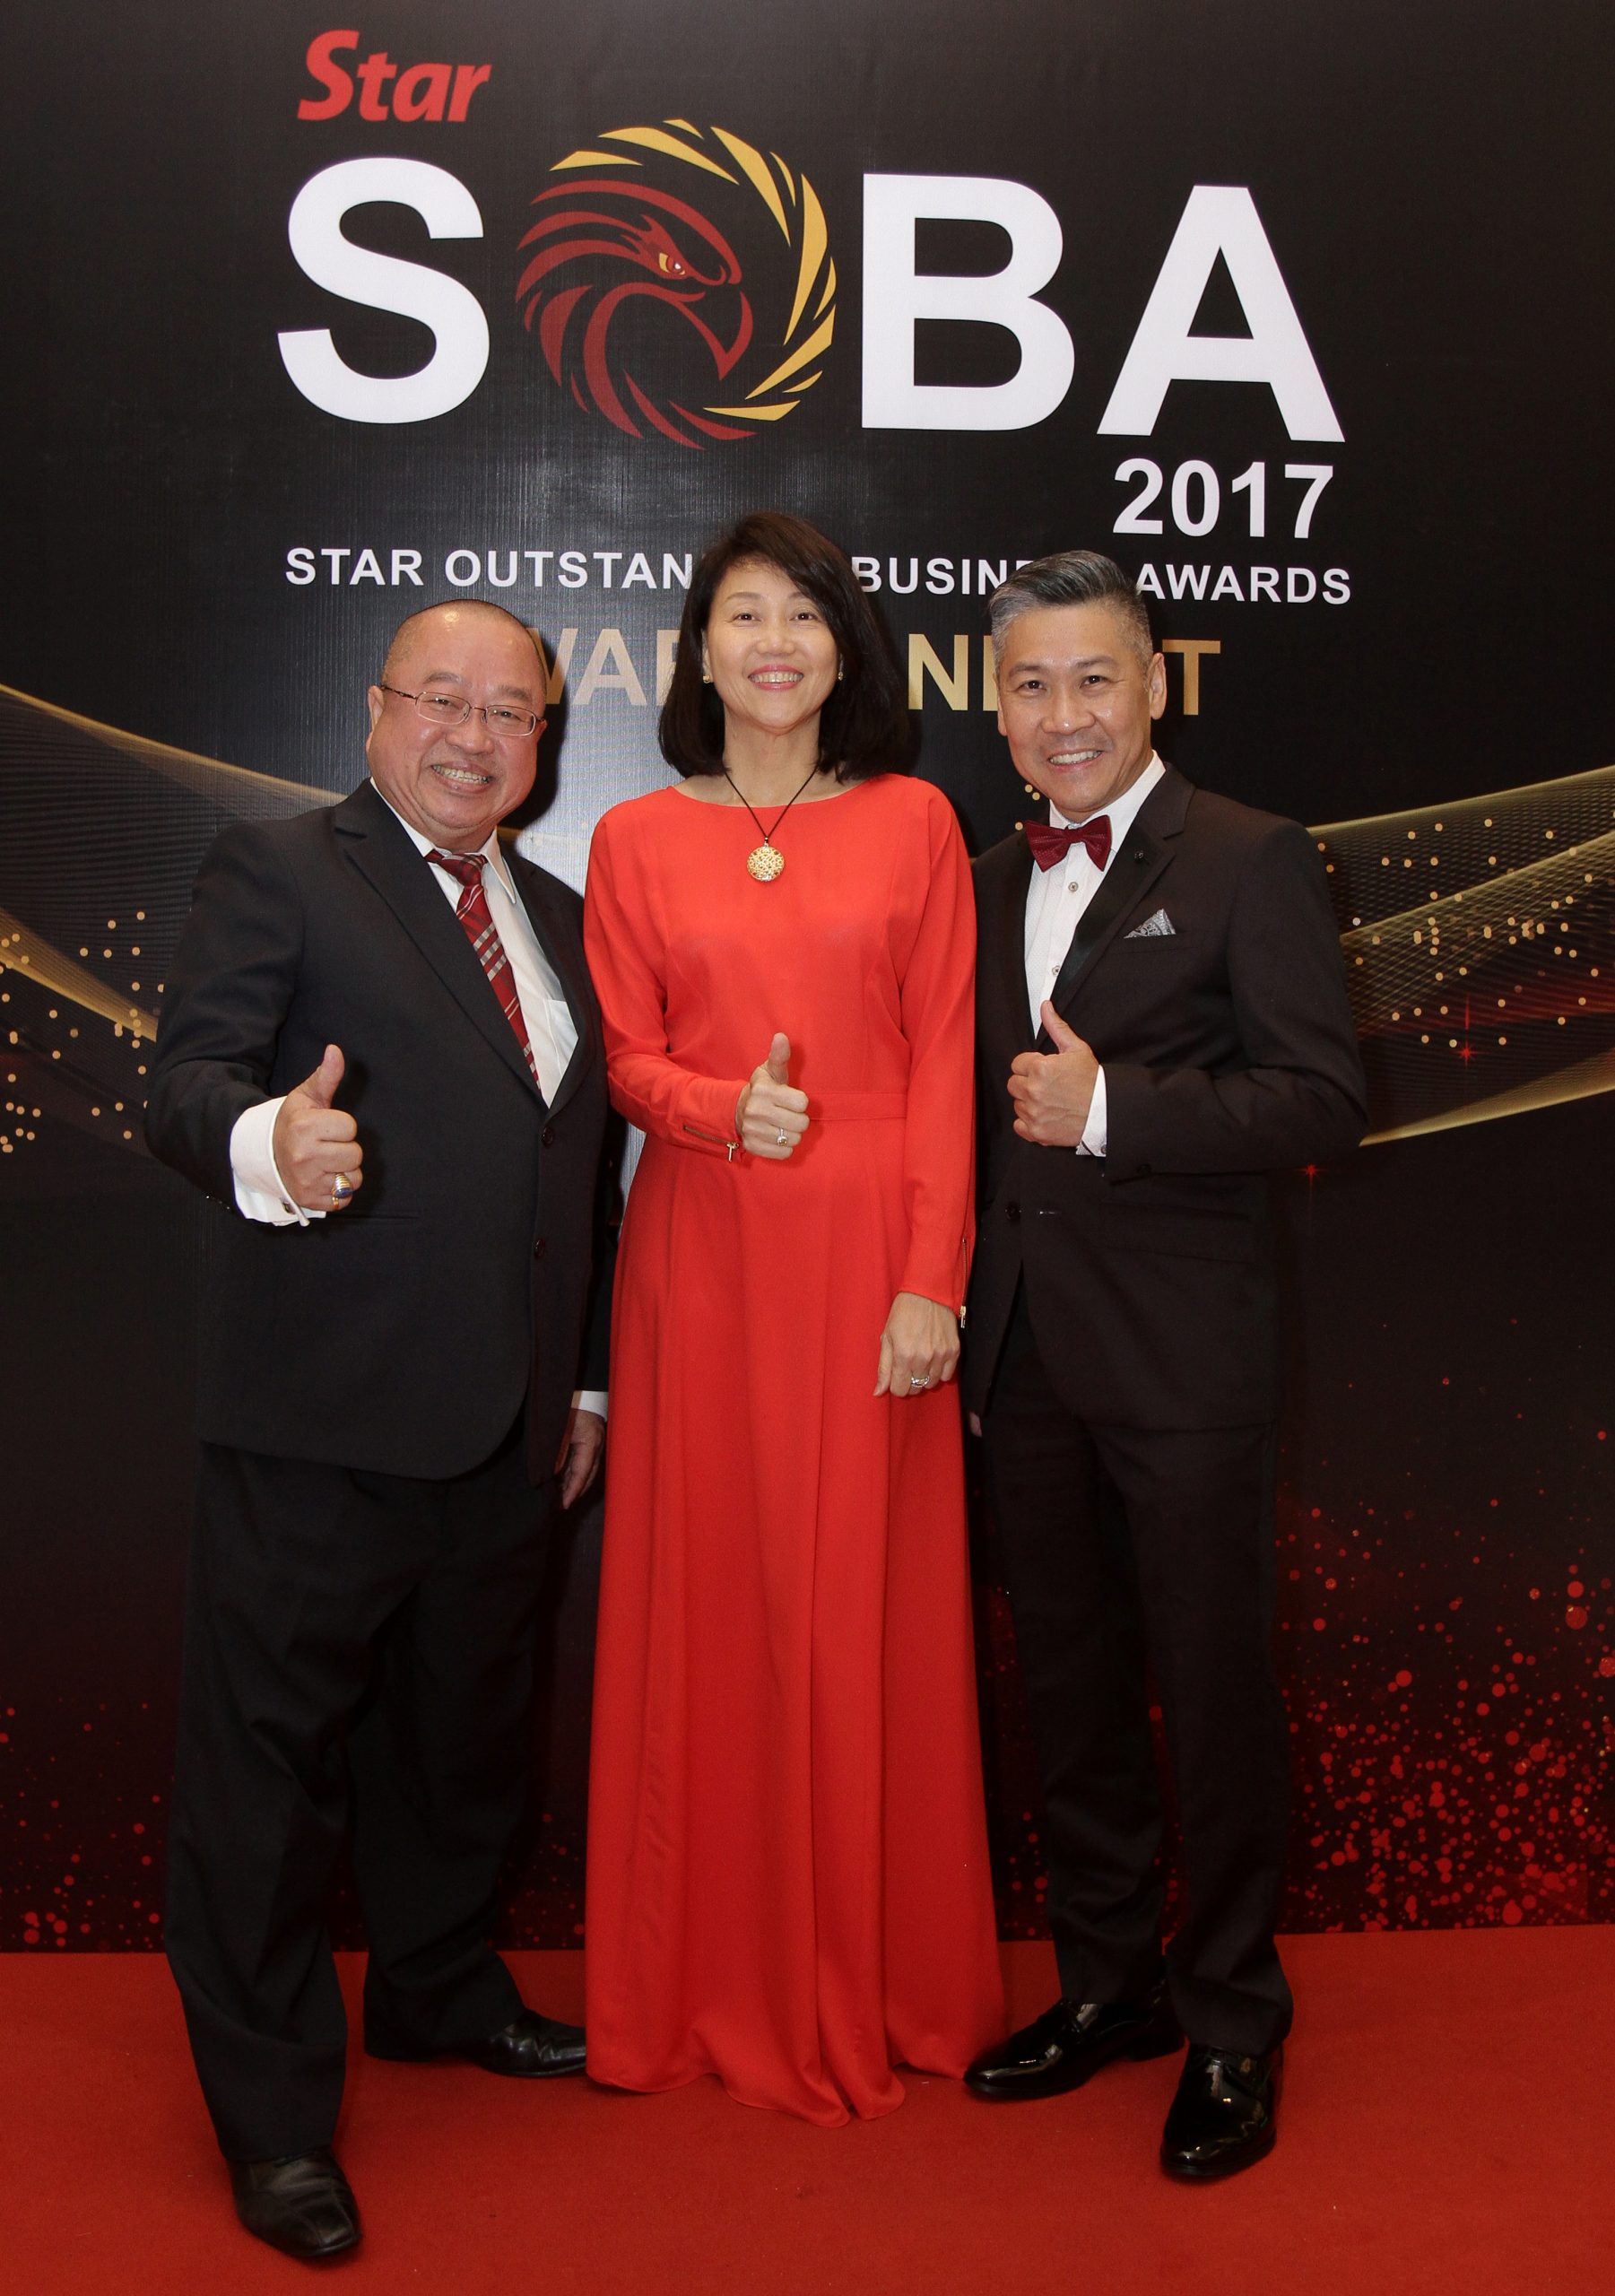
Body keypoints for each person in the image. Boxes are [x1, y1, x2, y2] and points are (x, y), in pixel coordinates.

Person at [145, 600, 611, 2259]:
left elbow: (576, 1181)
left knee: (459, 1747)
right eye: (443, 700)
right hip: (320, 1418)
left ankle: (435, 1990)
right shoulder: (278, 870)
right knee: (266, 1787)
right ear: (374, 711)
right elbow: (183, 1082)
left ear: (542, 742)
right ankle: (273, 2121)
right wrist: (269, 1144)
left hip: (508, 1430)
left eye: (511, 712)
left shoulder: (562, 917)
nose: (474, 736)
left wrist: (584, 1383)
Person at [581, 511, 1004, 2126]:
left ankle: (879, 1985)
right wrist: (713, 1109)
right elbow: (623, 1058)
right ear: (698, 650)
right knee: (707, 1605)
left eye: (804, 615)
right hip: (700, 1253)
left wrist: (928, 1281)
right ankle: (696, 1981)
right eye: (744, 614)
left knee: (858, 1612)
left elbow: (947, 1060)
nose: (774, 643)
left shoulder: (914, 821)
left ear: (845, 653)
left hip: (871, 1252)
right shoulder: (632, 837)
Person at [960, 552, 1366, 2179]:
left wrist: (1114, 1110)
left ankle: (1232, 2020)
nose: (1063, 715)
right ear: (996, 710)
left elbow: (1321, 1097)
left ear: (1152, 687)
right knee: (1069, 1694)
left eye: (1093, 679)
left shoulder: (1252, 855)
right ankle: (1106, 1985)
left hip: (1188, 1359)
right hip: (1021, 1354)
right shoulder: (978, 879)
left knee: (1206, 1692)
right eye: (1031, 686)